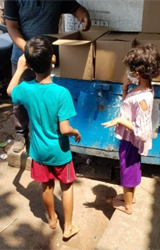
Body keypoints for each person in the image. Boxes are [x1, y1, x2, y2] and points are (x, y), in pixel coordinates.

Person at [7, 36, 82, 240]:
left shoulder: (26, 89)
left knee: (46, 186)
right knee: (66, 188)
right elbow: (65, 129)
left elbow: (9, 90)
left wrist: (20, 69)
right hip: (60, 153)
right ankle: (67, 228)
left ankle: (51, 219)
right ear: (53, 60)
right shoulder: (62, 93)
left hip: (38, 152)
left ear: (29, 64)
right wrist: (75, 132)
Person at [4, 0, 90, 153]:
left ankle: (48, 135)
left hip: (47, 61)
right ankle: (21, 134)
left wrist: (84, 16)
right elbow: (11, 27)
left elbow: (77, 8)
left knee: (47, 100)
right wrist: (31, 52)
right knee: (20, 103)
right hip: (23, 59)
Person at [102, 44, 160, 215]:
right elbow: (130, 108)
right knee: (132, 170)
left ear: (137, 73)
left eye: (130, 70)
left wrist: (120, 120)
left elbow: (142, 132)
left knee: (127, 172)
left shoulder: (142, 98)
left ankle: (127, 206)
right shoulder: (144, 89)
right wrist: (124, 90)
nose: (128, 72)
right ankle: (130, 198)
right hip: (130, 141)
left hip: (131, 143)